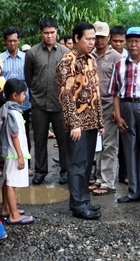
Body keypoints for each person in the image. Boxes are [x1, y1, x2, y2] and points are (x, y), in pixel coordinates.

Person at [56, 22, 104, 220]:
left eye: (94, 39)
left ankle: (84, 200)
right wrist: (73, 123)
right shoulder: (68, 61)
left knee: (86, 165)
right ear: (77, 38)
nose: (92, 42)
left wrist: (100, 121)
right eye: (88, 39)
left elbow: (95, 92)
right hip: (77, 123)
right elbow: (65, 96)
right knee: (76, 164)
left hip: (92, 121)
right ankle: (78, 205)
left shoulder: (91, 59)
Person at [109, 27, 140, 204]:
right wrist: (118, 116)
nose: (134, 44)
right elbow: (115, 92)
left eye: (138, 41)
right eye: (131, 41)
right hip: (127, 105)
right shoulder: (120, 64)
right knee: (130, 149)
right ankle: (133, 191)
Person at [25, 17, 70, 185]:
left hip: (59, 103)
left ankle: (65, 170)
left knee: (63, 139)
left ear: (57, 31)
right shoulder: (32, 53)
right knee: (39, 138)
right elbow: (29, 77)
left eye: (52, 32)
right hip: (39, 104)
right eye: (46, 33)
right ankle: (40, 171)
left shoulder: (65, 52)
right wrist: (36, 91)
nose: (49, 36)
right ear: (40, 33)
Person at [0, 79, 35, 225]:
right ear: (14, 95)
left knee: (8, 180)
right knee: (12, 183)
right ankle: (13, 215)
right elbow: (15, 135)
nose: (25, 96)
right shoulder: (13, 113)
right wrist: (20, 156)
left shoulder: (7, 109)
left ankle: (7, 209)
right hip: (14, 153)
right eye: (23, 94)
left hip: (10, 153)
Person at [91, 21, 122, 196]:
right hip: (93, 107)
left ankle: (108, 182)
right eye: (96, 37)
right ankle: (98, 178)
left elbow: (121, 86)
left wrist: (117, 110)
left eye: (102, 37)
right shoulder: (90, 55)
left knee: (110, 145)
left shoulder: (117, 58)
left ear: (108, 38)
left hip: (110, 105)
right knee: (97, 145)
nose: (99, 40)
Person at [0, 27, 32, 155]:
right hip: (6, 104)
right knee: (6, 132)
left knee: (24, 133)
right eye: (9, 41)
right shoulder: (0, 59)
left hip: (24, 103)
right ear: (5, 42)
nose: (12, 43)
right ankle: (6, 161)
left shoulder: (27, 58)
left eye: (14, 40)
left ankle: (26, 162)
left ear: (19, 40)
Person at [109, 25, 129, 185]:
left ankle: (124, 173)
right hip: (108, 104)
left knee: (124, 142)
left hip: (126, 106)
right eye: (114, 41)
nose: (118, 44)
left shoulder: (129, 57)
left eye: (121, 41)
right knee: (105, 143)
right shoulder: (106, 55)